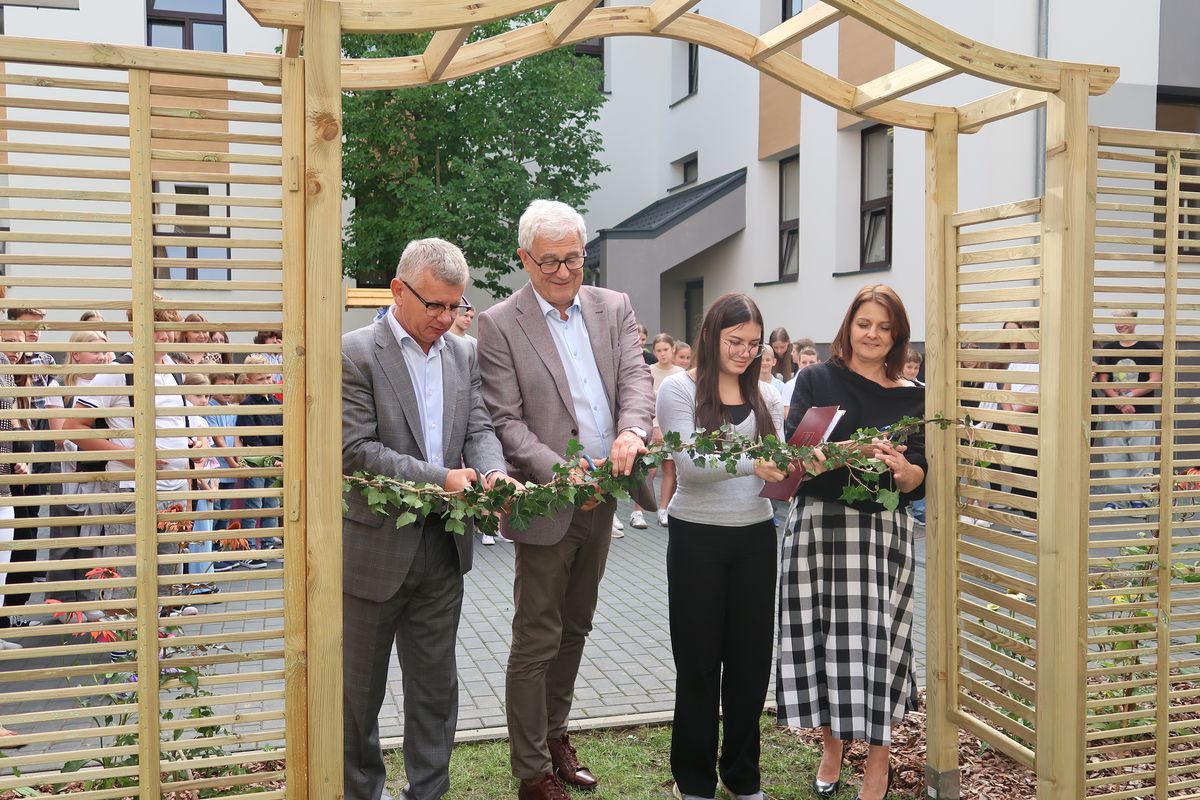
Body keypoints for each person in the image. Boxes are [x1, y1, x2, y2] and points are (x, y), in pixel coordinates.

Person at [477, 199, 655, 800]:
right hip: (548, 500)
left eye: (573, 259)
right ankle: (531, 772)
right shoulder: (500, 323)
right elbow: (505, 421)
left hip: (606, 493)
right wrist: (561, 472)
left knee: (576, 626)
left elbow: (636, 380)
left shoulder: (614, 307)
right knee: (537, 637)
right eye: (548, 261)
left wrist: (632, 431)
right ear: (525, 259)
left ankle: (555, 737)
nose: (562, 271)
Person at [342, 237, 514, 800]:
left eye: (455, 305)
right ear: (398, 290)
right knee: (356, 698)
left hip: (443, 550)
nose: (446, 317)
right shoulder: (355, 353)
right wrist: (441, 480)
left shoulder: (463, 354)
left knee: (436, 693)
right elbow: (356, 452)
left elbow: (479, 429)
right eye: (434, 304)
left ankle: (428, 793)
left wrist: (492, 473)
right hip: (371, 555)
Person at [776, 284, 926, 800]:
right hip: (818, 528)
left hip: (883, 534)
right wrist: (843, 452)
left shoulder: (914, 395)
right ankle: (832, 747)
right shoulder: (815, 379)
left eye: (885, 327)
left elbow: (920, 478)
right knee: (824, 640)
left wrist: (904, 469)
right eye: (865, 323)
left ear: (898, 335)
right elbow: (793, 459)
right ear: (848, 326)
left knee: (880, 646)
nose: (873, 335)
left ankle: (879, 763)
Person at [657, 293, 786, 800]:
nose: (745, 352)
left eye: (754, 344)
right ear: (711, 336)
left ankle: (742, 776)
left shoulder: (768, 396)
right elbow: (688, 465)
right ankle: (693, 781)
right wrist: (754, 462)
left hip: (756, 535)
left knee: (750, 665)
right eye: (735, 341)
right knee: (699, 663)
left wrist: (801, 463)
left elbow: (781, 464)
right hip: (697, 537)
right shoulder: (678, 389)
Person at [63, 297, 191, 610]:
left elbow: (177, 429)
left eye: (169, 327)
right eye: (156, 328)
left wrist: (189, 477)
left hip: (173, 493)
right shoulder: (118, 371)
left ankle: (160, 642)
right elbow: (74, 427)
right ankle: (125, 640)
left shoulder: (173, 370)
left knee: (165, 586)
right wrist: (134, 456)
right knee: (127, 586)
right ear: (135, 330)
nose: (164, 335)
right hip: (131, 491)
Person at [44, 330, 113, 617]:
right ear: (76, 354)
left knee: (93, 539)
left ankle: (89, 600)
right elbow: (60, 435)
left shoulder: (110, 384)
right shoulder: (59, 386)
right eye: (95, 351)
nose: (102, 357)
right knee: (65, 539)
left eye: (104, 351)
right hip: (69, 472)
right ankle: (61, 606)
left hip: (100, 471)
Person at [1097, 310, 1161, 512]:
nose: (1120, 324)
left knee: (1141, 457)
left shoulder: (1150, 348)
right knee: (1113, 457)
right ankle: (1116, 500)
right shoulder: (1108, 349)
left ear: (1135, 320)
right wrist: (1119, 401)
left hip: (1142, 412)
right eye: (1116, 320)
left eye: (1124, 319)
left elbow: (1155, 380)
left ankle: (1139, 498)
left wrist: (1129, 397)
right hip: (1113, 412)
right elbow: (1103, 380)